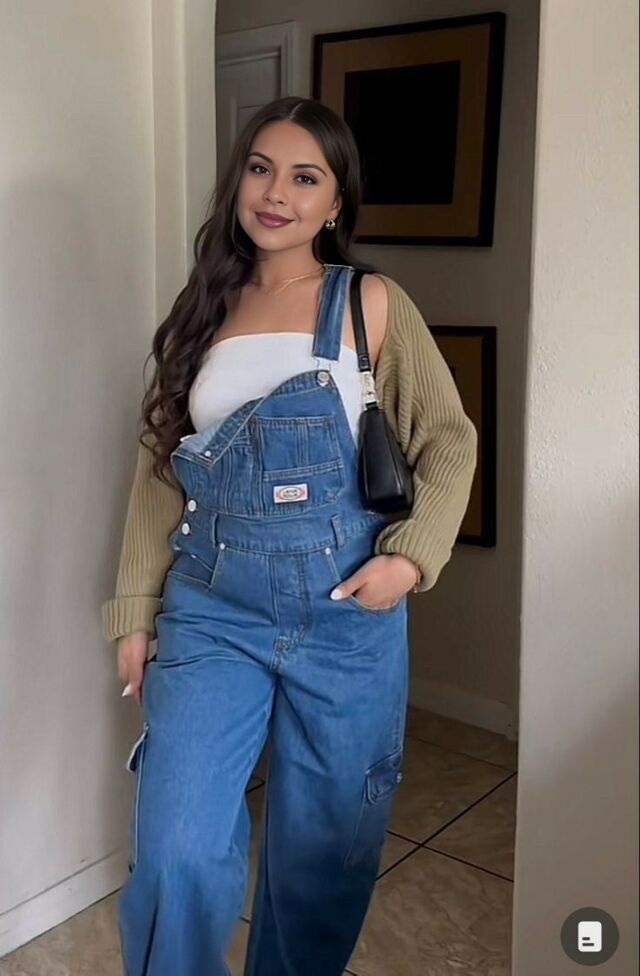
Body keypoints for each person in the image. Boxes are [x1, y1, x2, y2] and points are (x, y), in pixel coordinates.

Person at [102, 95, 477, 976]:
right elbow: (162, 468)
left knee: (318, 863)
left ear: (336, 202)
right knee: (176, 850)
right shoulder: (204, 310)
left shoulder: (369, 303)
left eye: (305, 178)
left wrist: (409, 560)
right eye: (261, 169)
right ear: (239, 180)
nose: (277, 194)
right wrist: (134, 609)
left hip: (346, 612)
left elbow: (449, 441)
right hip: (210, 607)